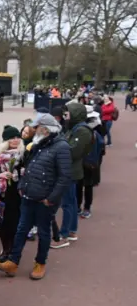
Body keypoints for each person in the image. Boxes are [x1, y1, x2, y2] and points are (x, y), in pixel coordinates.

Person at [0, 114, 71, 280]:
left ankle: (40, 263)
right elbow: (28, 168)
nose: (33, 130)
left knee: (43, 232)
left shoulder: (61, 147)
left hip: (45, 199)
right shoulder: (38, 145)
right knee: (21, 230)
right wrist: (22, 186)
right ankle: (13, 261)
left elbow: (64, 177)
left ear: (45, 128)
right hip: (28, 195)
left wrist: (51, 198)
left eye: (36, 127)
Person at [52, 102, 93, 249]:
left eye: (67, 114)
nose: (65, 117)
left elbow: (73, 152)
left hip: (70, 171)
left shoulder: (82, 131)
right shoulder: (74, 128)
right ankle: (72, 231)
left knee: (67, 203)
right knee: (72, 202)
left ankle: (65, 234)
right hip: (69, 170)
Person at [0, 126, 24, 262]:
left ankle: (12, 251)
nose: (15, 140)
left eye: (17, 137)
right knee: (3, 224)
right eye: (12, 138)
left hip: (17, 194)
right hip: (2, 194)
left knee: (15, 223)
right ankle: (6, 249)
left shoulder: (23, 155)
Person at [77, 106, 105, 219]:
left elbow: (100, 145)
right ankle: (81, 207)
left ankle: (86, 207)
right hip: (85, 161)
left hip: (90, 162)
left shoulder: (96, 128)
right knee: (81, 186)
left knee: (87, 186)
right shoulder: (81, 127)